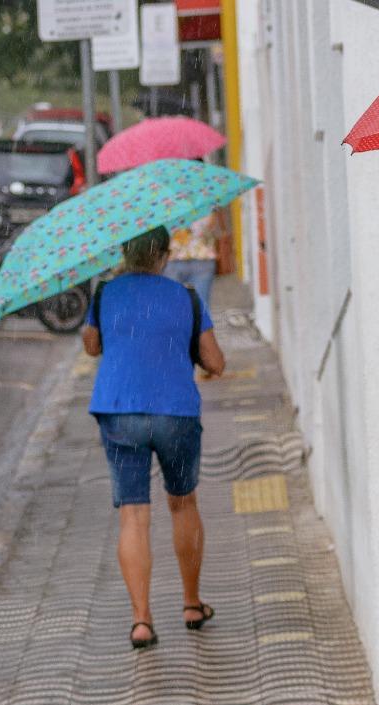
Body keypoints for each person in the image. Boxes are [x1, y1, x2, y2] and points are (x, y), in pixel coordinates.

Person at [81, 226, 227, 650]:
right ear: (164, 255)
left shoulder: (105, 294)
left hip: (119, 411)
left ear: (126, 253)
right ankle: (191, 603)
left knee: (133, 514)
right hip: (175, 412)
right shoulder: (187, 297)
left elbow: (91, 347)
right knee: (183, 504)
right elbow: (214, 363)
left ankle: (142, 620)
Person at [164, 209, 224, 311]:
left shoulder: (163, 202)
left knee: (173, 309)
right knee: (201, 309)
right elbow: (214, 227)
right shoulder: (205, 198)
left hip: (173, 258)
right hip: (203, 257)